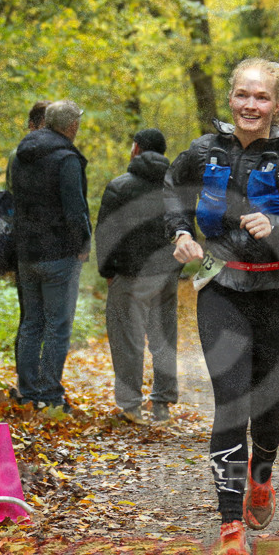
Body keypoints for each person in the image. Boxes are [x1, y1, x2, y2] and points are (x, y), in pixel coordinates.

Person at [165, 58, 279, 555]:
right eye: (242, 95)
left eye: (260, 98)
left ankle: (260, 478)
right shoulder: (204, 152)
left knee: (265, 408)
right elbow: (169, 195)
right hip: (222, 286)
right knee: (230, 405)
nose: (250, 105)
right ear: (231, 98)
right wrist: (179, 233)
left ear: (276, 104)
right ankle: (230, 525)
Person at [8, 99, 91, 414]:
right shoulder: (66, 159)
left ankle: (28, 391)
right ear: (71, 126)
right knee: (58, 324)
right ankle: (51, 395)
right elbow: (75, 209)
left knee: (32, 322)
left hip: (26, 251)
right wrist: (82, 242)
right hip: (58, 253)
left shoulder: (21, 155)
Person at [96, 128, 182, 425]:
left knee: (127, 339)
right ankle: (162, 404)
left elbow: (106, 234)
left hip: (129, 275)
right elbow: (184, 231)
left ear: (136, 149)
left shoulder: (119, 187)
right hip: (166, 274)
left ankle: (131, 406)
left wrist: (107, 271)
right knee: (164, 337)